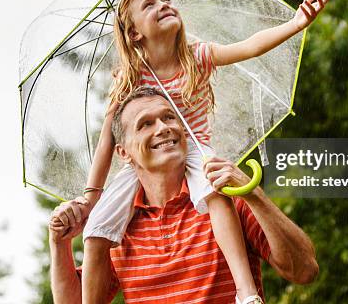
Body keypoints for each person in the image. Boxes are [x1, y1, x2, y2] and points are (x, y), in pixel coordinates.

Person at [53, 0, 330, 304]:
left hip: (197, 152)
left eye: (165, 0)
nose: (163, 5)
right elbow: (105, 141)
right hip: (138, 172)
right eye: (149, 5)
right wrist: (90, 199)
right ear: (133, 34)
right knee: (97, 227)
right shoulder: (130, 77)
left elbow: (250, 47)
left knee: (216, 194)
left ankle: (246, 292)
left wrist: (295, 24)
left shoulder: (196, 56)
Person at [50, 87, 319, 303]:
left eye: (168, 117)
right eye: (145, 124)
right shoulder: (117, 228)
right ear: (123, 153)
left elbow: (304, 270)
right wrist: (59, 244)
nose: (163, 128)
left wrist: (253, 193)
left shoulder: (225, 199)